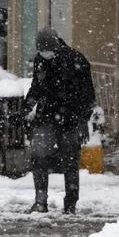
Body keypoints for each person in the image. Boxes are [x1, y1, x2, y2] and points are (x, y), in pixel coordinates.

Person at [24, 28, 96, 214]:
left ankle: (70, 204)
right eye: (41, 50)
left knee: (70, 161)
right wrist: (24, 109)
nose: (44, 53)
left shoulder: (76, 59)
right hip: (46, 117)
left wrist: (82, 119)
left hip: (71, 119)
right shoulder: (40, 60)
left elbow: (88, 94)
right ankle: (40, 201)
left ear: (56, 45)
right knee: (39, 157)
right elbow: (36, 88)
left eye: (46, 49)